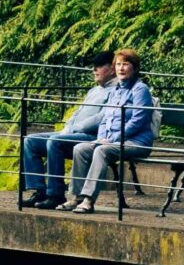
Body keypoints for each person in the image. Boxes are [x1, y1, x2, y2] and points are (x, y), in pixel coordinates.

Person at [63, 50, 159, 212]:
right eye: (119, 64)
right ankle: (77, 197)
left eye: (126, 64)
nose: (121, 68)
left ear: (134, 68)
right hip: (112, 141)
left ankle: (88, 199)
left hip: (136, 142)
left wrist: (113, 138)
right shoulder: (115, 91)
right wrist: (101, 137)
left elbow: (138, 121)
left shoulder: (140, 90)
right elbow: (105, 119)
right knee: (81, 148)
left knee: (102, 151)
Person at [20, 59, 114, 208]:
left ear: (111, 69)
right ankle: (39, 191)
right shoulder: (94, 90)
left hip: (92, 136)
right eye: (93, 67)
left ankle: (55, 194)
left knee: (54, 141)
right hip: (71, 133)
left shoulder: (115, 91)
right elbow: (78, 112)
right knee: (30, 141)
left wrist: (76, 128)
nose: (94, 70)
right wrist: (68, 126)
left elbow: (102, 117)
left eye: (99, 66)